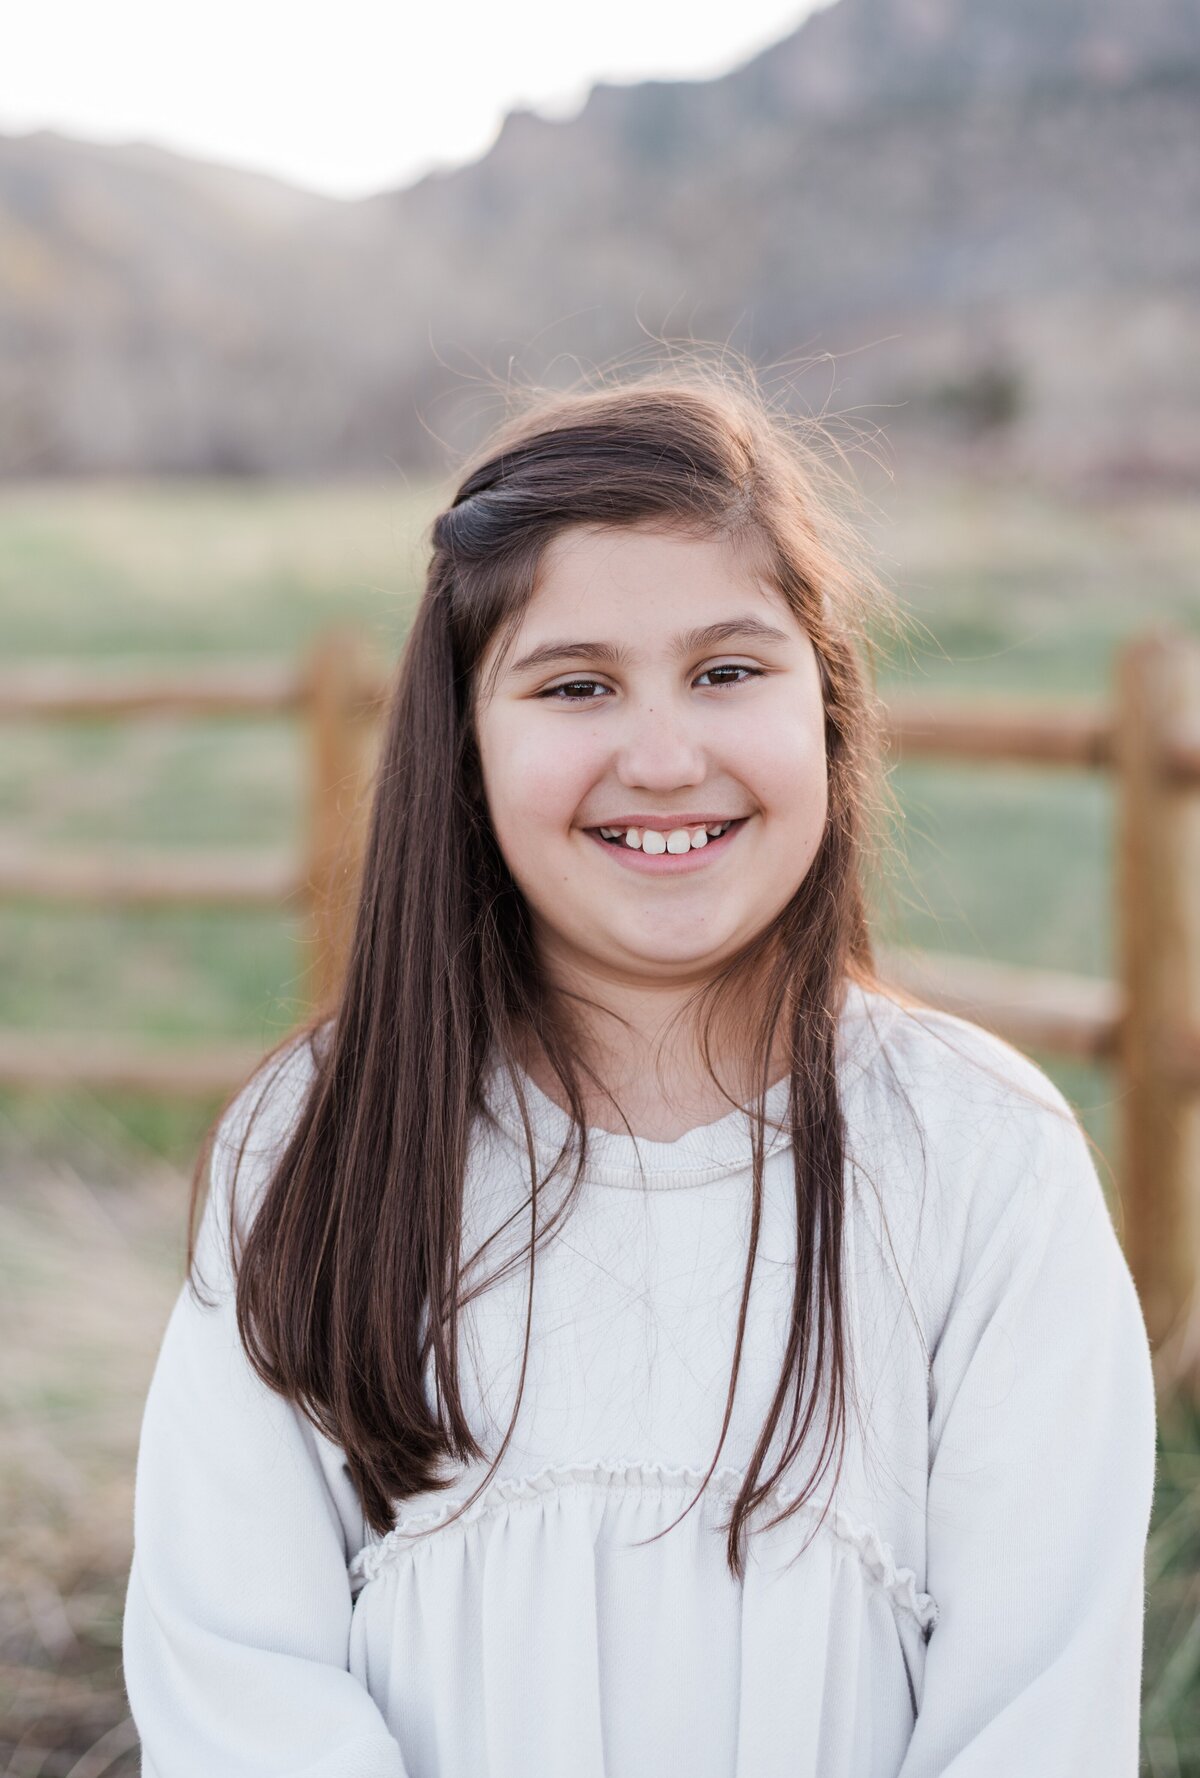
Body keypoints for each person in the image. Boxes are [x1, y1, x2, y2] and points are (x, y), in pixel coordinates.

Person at [121, 362, 1157, 1777]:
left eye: (728, 671)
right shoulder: (319, 1145)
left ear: (830, 711)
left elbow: (1033, 1712)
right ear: (466, 746)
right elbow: (238, 1672)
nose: (663, 755)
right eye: (576, 684)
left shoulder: (982, 1161)